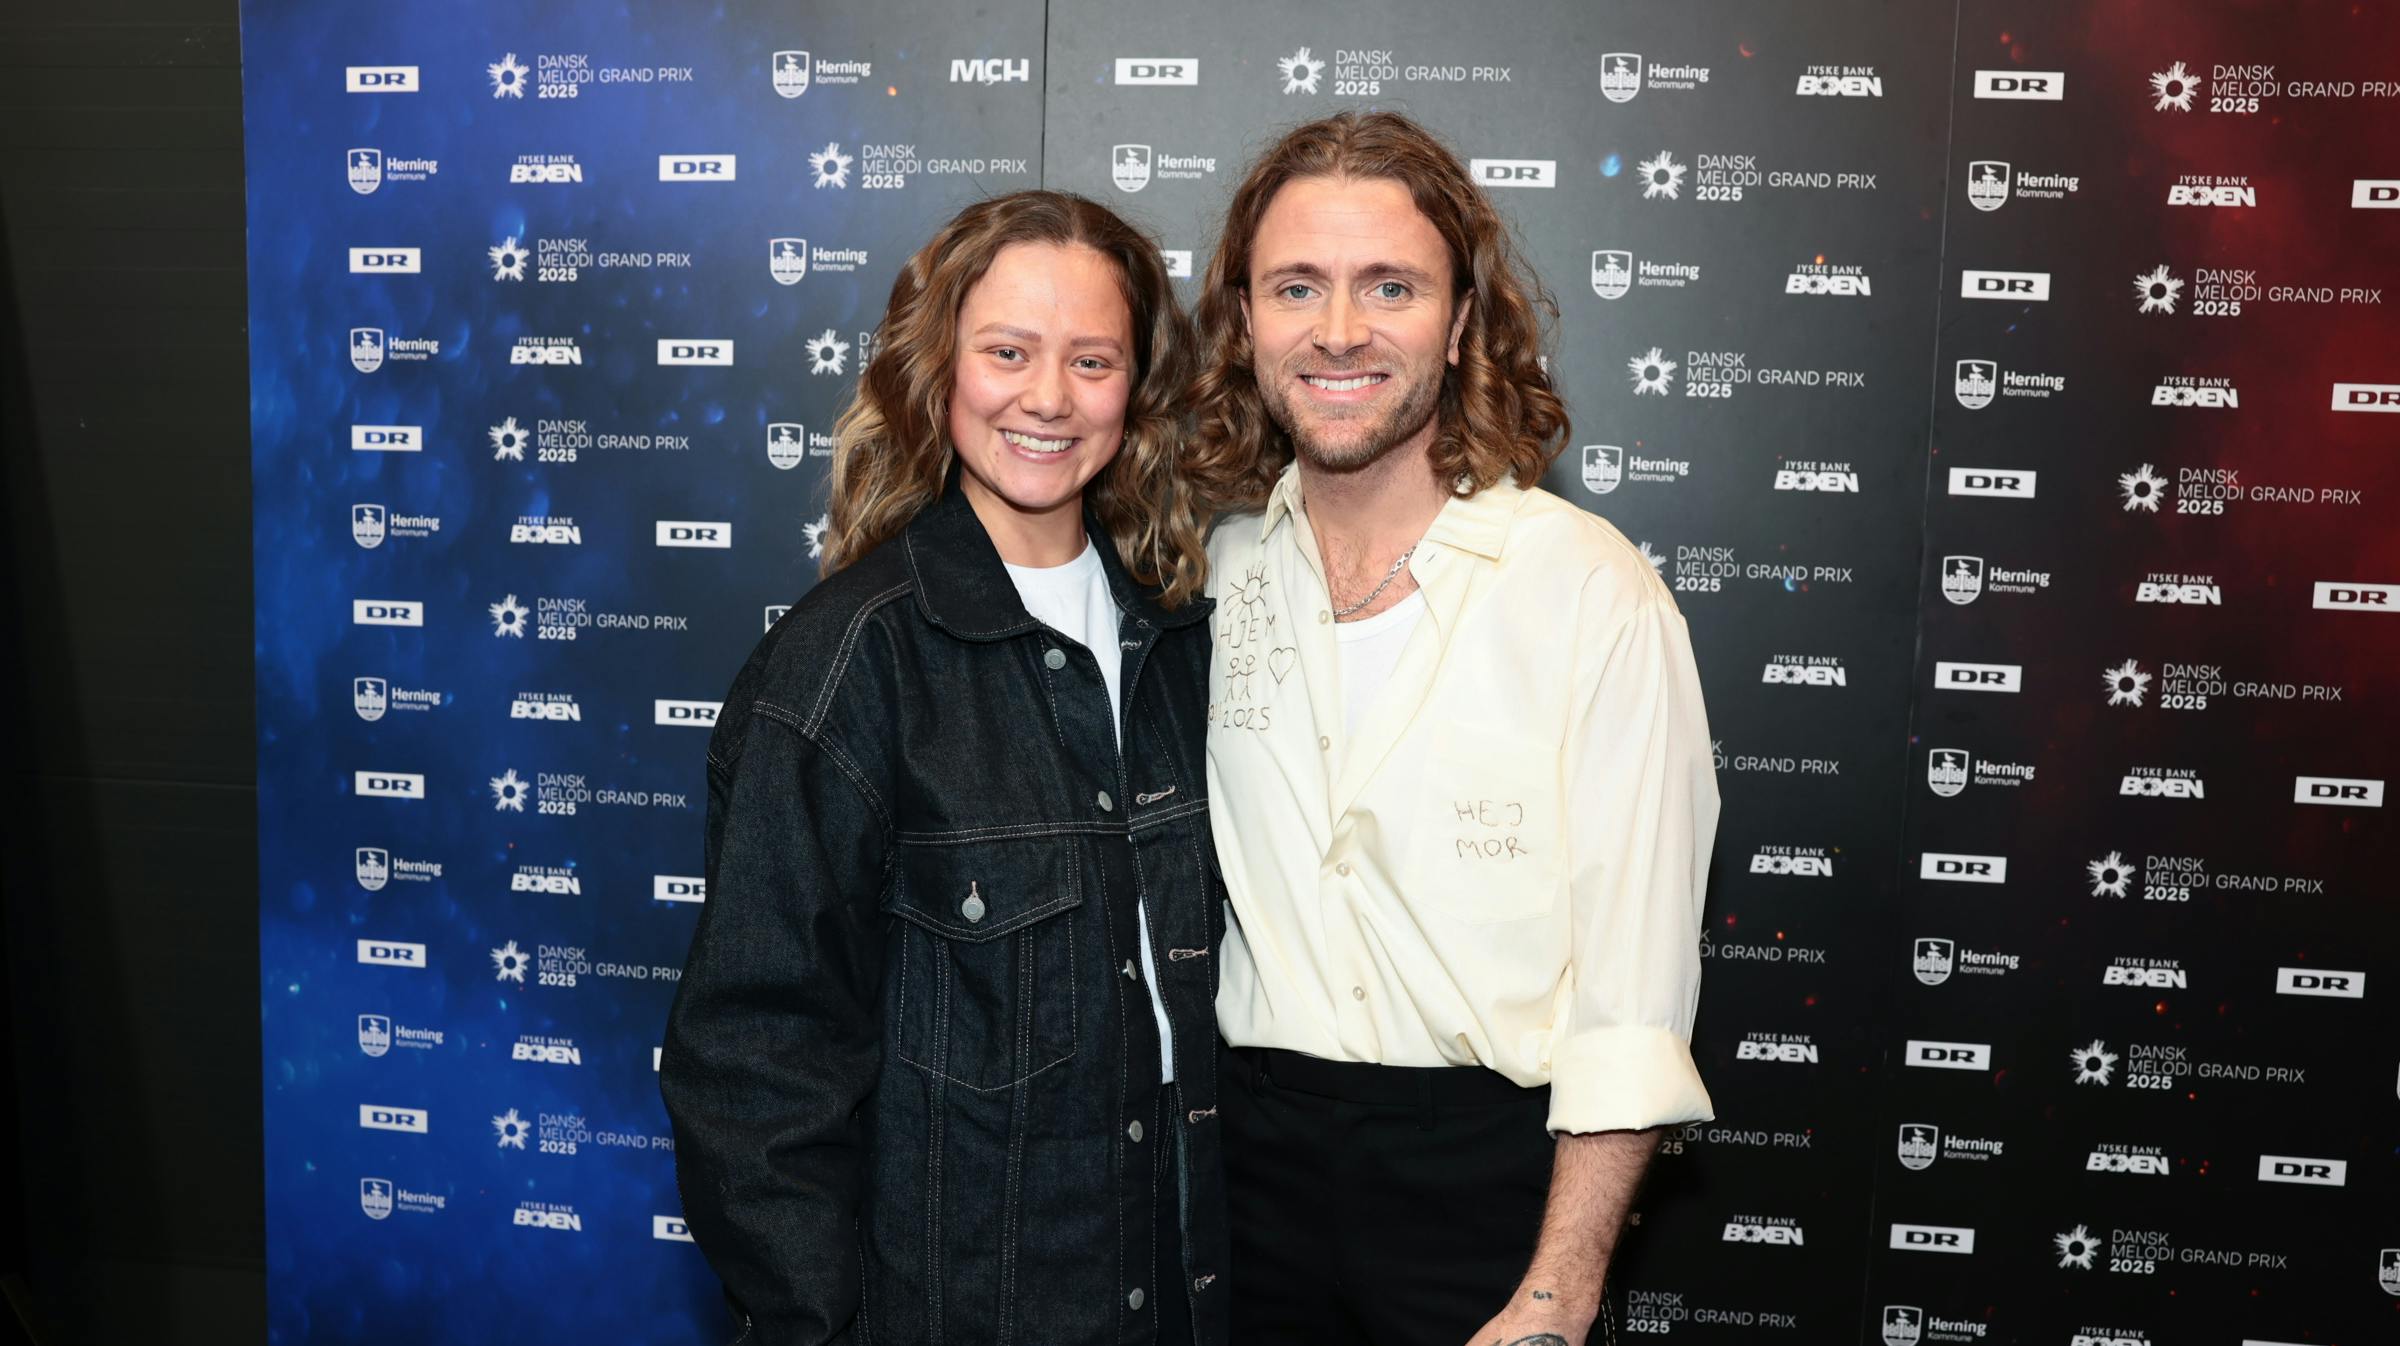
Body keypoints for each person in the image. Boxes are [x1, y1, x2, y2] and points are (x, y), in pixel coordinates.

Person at [1187, 112, 1721, 1346]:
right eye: (1296, 287)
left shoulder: (1590, 590)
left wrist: (1559, 1287)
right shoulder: (1210, 576)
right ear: (1245, 318)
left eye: (1391, 286)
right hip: (1239, 1189)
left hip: (1492, 1199)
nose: (1338, 330)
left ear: (1464, 318)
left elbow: (1634, 997)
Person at [661, 190, 1228, 1346]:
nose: (1049, 398)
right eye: (1008, 352)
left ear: (1138, 388)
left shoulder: (1183, 646)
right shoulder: (844, 666)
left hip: (1176, 1291)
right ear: (940, 370)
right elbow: (757, 1065)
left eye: (1093, 359)